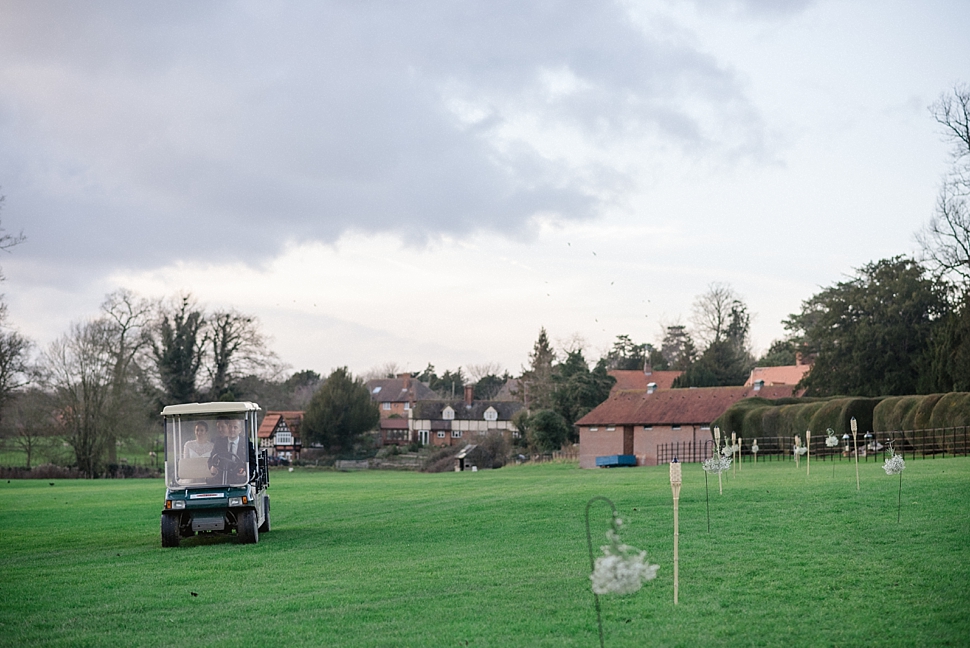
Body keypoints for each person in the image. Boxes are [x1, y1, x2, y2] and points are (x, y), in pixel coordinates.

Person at [208, 418, 256, 483]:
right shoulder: (219, 443)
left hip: (240, 479)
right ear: (227, 428)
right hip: (222, 478)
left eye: (235, 427)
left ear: (240, 430)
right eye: (230, 427)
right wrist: (212, 467)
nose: (232, 430)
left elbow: (253, 463)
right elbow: (211, 460)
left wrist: (245, 472)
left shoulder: (246, 443)